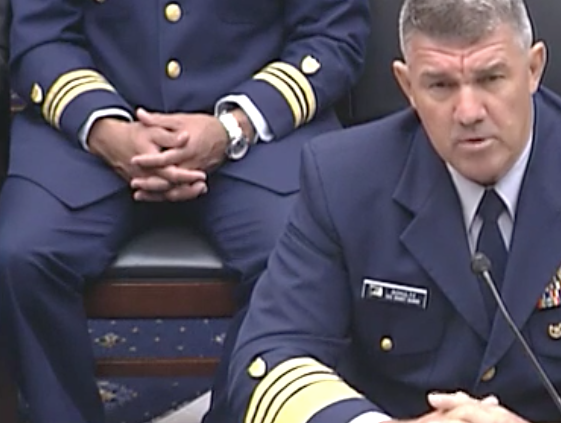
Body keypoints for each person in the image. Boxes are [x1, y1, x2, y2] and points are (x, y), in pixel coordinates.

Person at [227, 0, 561, 422]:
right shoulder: (342, 178)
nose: (468, 112)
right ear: (407, 86)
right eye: (440, 86)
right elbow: (269, 358)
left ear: (533, 69)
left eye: (491, 78)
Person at [0, 0, 370, 421]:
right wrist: (105, 129)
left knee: (299, 259)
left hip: (258, 133)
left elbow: (331, 35)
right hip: (93, 132)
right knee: (22, 255)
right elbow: (42, 32)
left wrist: (233, 126)